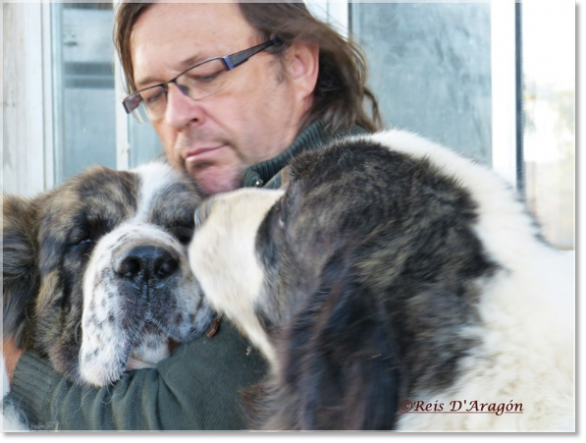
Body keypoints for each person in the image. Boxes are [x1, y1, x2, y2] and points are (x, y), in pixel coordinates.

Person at [3, 1, 381, 430]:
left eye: (205, 74)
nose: (179, 115)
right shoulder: (247, 193)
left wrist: (17, 369)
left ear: (298, 64)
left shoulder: (344, 199)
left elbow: (188, 418)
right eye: (154, 95)